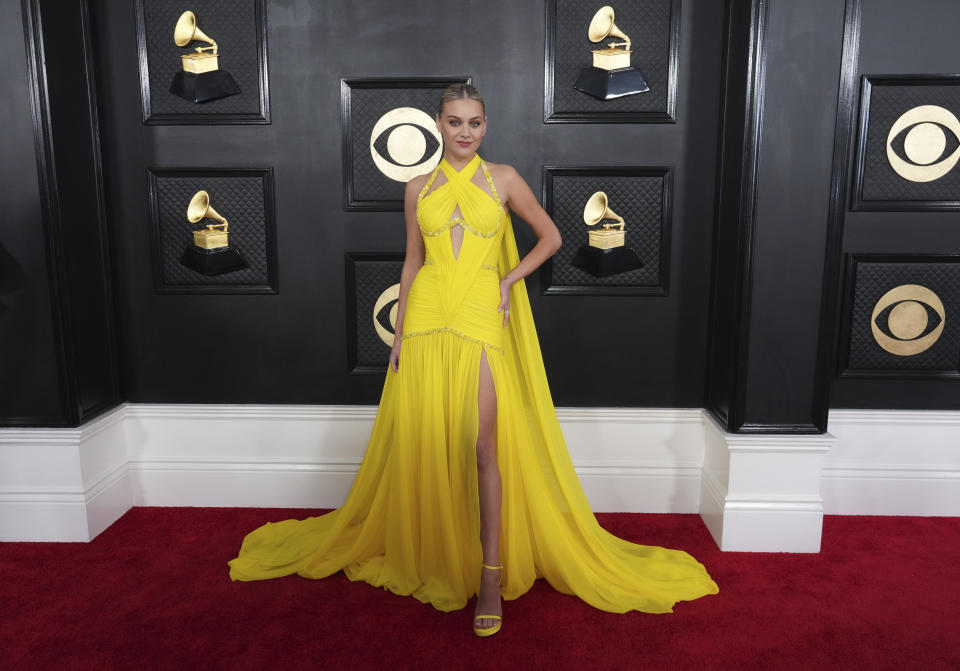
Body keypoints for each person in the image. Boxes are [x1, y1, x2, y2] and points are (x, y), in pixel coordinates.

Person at [228, 83, 719, 638]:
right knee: (429, 435)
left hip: (483, 310)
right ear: (438, 124)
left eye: (476, 122)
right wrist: (398, 336)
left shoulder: (503, 178)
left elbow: (553, 237)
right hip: (429, 315)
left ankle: (491, 574)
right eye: (456, 122)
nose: (466, 132)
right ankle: (436, 555)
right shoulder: (417, 187)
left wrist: (508, 280)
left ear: (486, 126)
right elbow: (413, 262)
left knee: (482, 443)